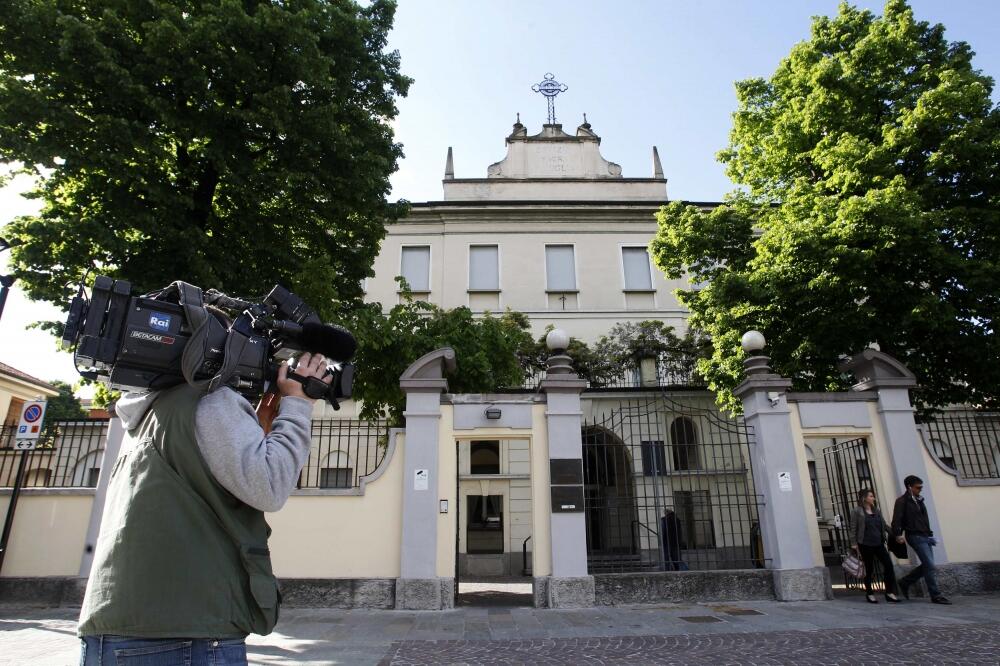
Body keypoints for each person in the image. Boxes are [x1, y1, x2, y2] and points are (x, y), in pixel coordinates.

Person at [77, 350, 333, 665]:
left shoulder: (148, 410)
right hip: (186, 629)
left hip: (112, 625)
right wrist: (299, 402)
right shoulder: (209, 399)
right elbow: (269, 486)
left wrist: (254, 431)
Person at [890, 474, 952, 605]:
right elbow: (896, 520)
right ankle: (935, 595)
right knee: (930, 565)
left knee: (928, 565)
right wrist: (898, 534)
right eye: (918, 487)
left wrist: (930, 534)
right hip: (914, 535)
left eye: (921, 487)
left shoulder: (920, 500)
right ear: (909, 487)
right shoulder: (902, 501)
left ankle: (905, 582)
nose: (920, 490)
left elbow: (924, 519)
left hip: (925, 536)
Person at [849, 488, 900, 604]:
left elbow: (884, 524)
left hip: (879, 543)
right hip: (865, 544)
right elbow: (853, 529)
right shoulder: (857, 512)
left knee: (888, 566)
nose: (873, 498)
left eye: (873, 496)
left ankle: (889, 592)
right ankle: (870, 593)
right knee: (869, 569)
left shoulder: (876, 510)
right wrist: (853, 543)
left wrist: (895, 534)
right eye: (871, 496)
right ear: (864, 498)